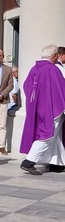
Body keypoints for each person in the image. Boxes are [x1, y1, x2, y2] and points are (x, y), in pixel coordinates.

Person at [20, 45, 65, 175]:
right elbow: (61, 88)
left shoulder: (34, 69)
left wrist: (34, 103)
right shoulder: (52, 69)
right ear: (54, 56)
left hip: (38, 108)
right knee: (47, 135)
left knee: (56, 136)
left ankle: (56, 164)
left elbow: (26, 86)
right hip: (52, 109)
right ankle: (29, 161)